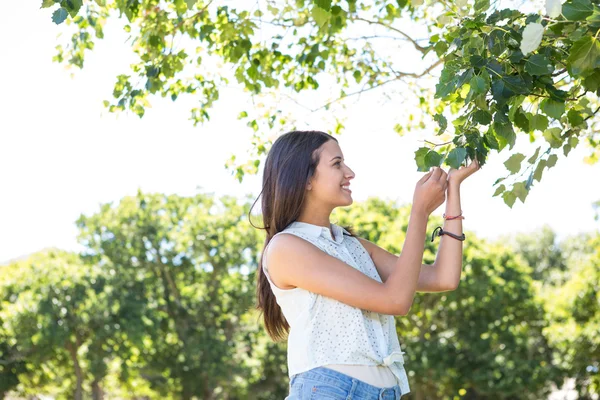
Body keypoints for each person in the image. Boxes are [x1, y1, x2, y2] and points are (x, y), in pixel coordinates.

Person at [253, 130, 480, 399]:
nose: (349, 172)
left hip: (385, 392)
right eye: (337, 164)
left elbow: (444, 277)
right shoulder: (287, 247)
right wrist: (419, 212)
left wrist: (453, 188)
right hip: (329, 390)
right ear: (305, 179)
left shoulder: (351, 244)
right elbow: (395, 300)